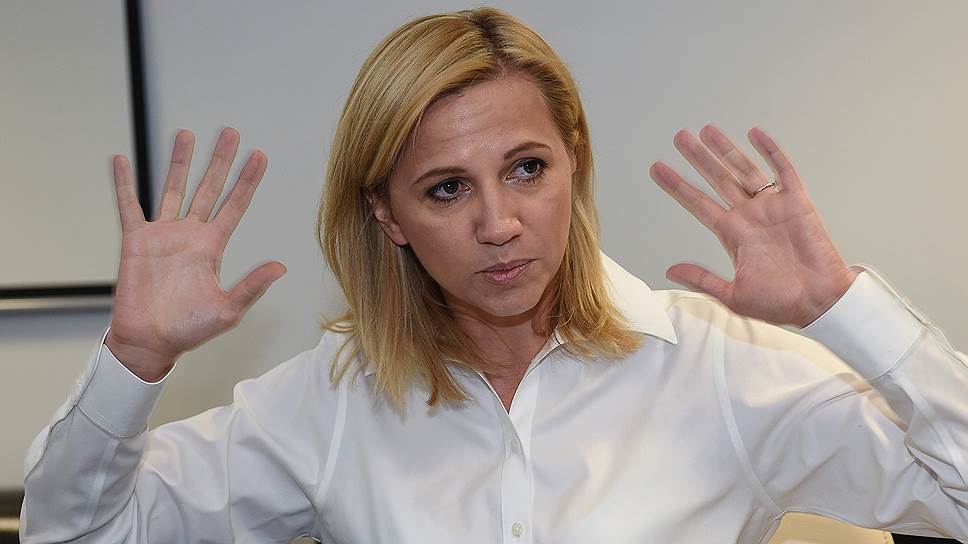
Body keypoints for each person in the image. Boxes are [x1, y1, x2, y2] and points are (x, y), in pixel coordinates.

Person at [19, 6, 968, 543]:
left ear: (573, 163)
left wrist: (845, 310)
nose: (499, 223)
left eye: (526, 168)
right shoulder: (333, 400)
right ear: (388, 216)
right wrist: (135, 356)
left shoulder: (718, 365)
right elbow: (80, 536)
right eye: (446, 188)